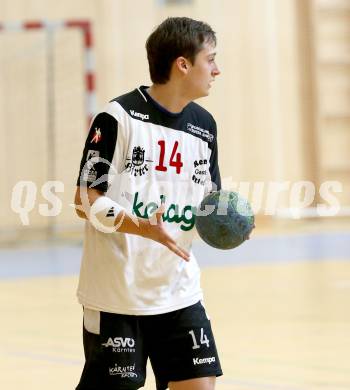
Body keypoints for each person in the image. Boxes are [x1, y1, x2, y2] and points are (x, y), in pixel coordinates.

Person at [74, 16, 222, 390]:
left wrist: (229, 222)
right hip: (118, 294)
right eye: (211, 59)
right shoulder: (118, 117)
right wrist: (140, 227)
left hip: (178, 290)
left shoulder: (204, 126)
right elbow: (83, 199)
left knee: (199, 385)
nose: (217, 70)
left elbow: (208, 201)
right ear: (183, 64)